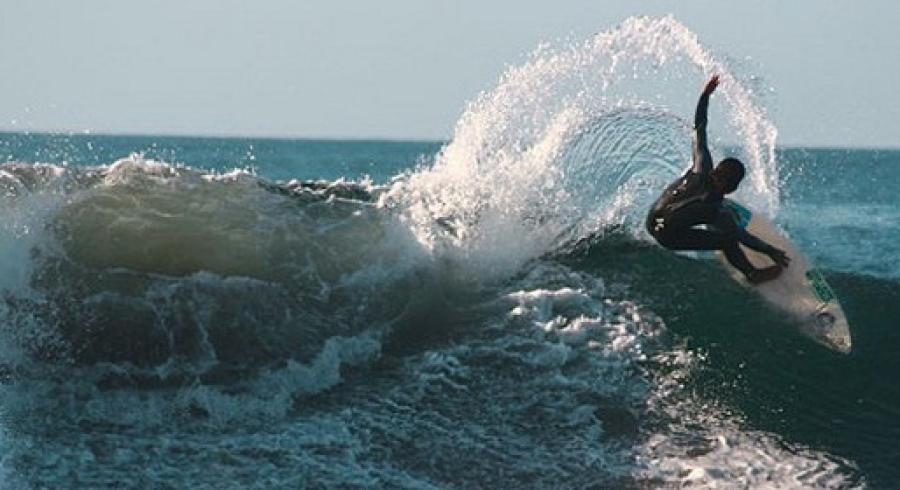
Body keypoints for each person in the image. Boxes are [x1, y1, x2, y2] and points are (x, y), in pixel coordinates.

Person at [645, 75, 789, 284]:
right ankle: (752, 274)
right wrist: (771, 251)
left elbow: (699, 127)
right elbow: (741, 236)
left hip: (651, 220)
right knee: (728, 240)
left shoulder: (702, 167)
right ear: (731, 189)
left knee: (714, 223)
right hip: (668, 237)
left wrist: (705, 95)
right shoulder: (714, 210)